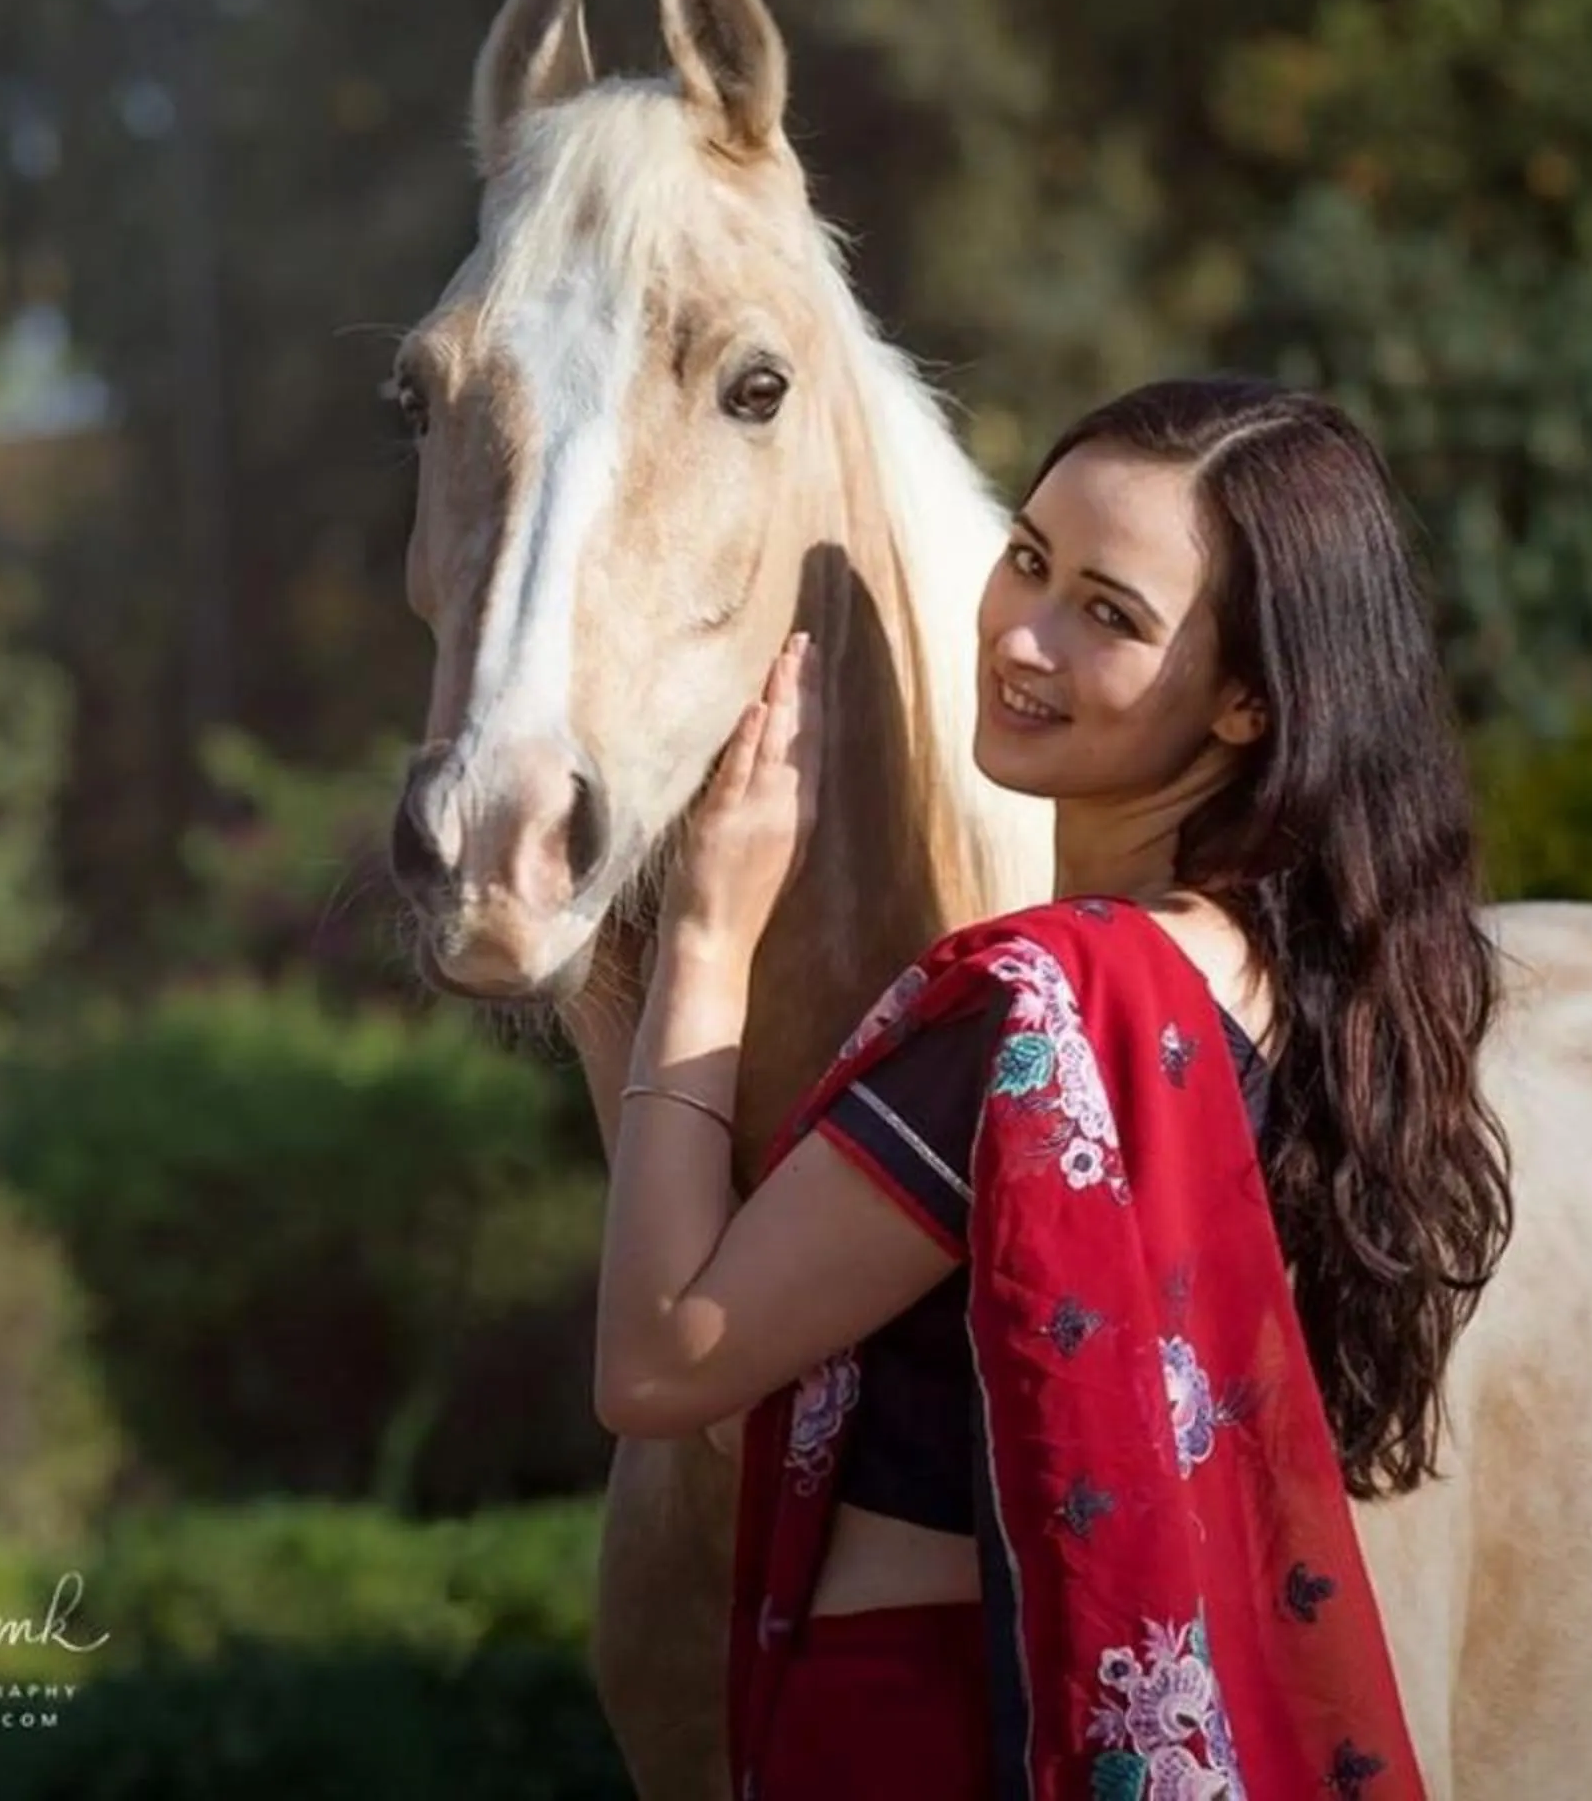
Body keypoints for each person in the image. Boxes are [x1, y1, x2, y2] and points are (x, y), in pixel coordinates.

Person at [591, 376, 1513, 1801]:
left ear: (1247, 702)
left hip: (923, 1726)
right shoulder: (1287, 990)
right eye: (1027, 559)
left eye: (1111, 613)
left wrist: (706, 942)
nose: (1021, 635)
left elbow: (663, 1366)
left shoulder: (1034, 1015)